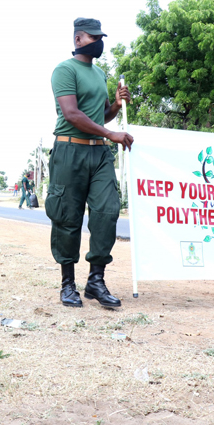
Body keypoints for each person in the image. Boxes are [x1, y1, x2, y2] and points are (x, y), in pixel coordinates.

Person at [48, 17, 134, 308]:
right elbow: (72, 115)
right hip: (69, 152)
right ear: (78, 40)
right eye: (93, 37)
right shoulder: (64, 70)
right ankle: (68, 284)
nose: (99, 42)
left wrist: (116, 106)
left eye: (101, 37)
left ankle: (96, 281)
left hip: (98, 153)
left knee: (107, 212)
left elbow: (100, 118)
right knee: (67, 218)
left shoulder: (99, 74)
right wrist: (111, 134)